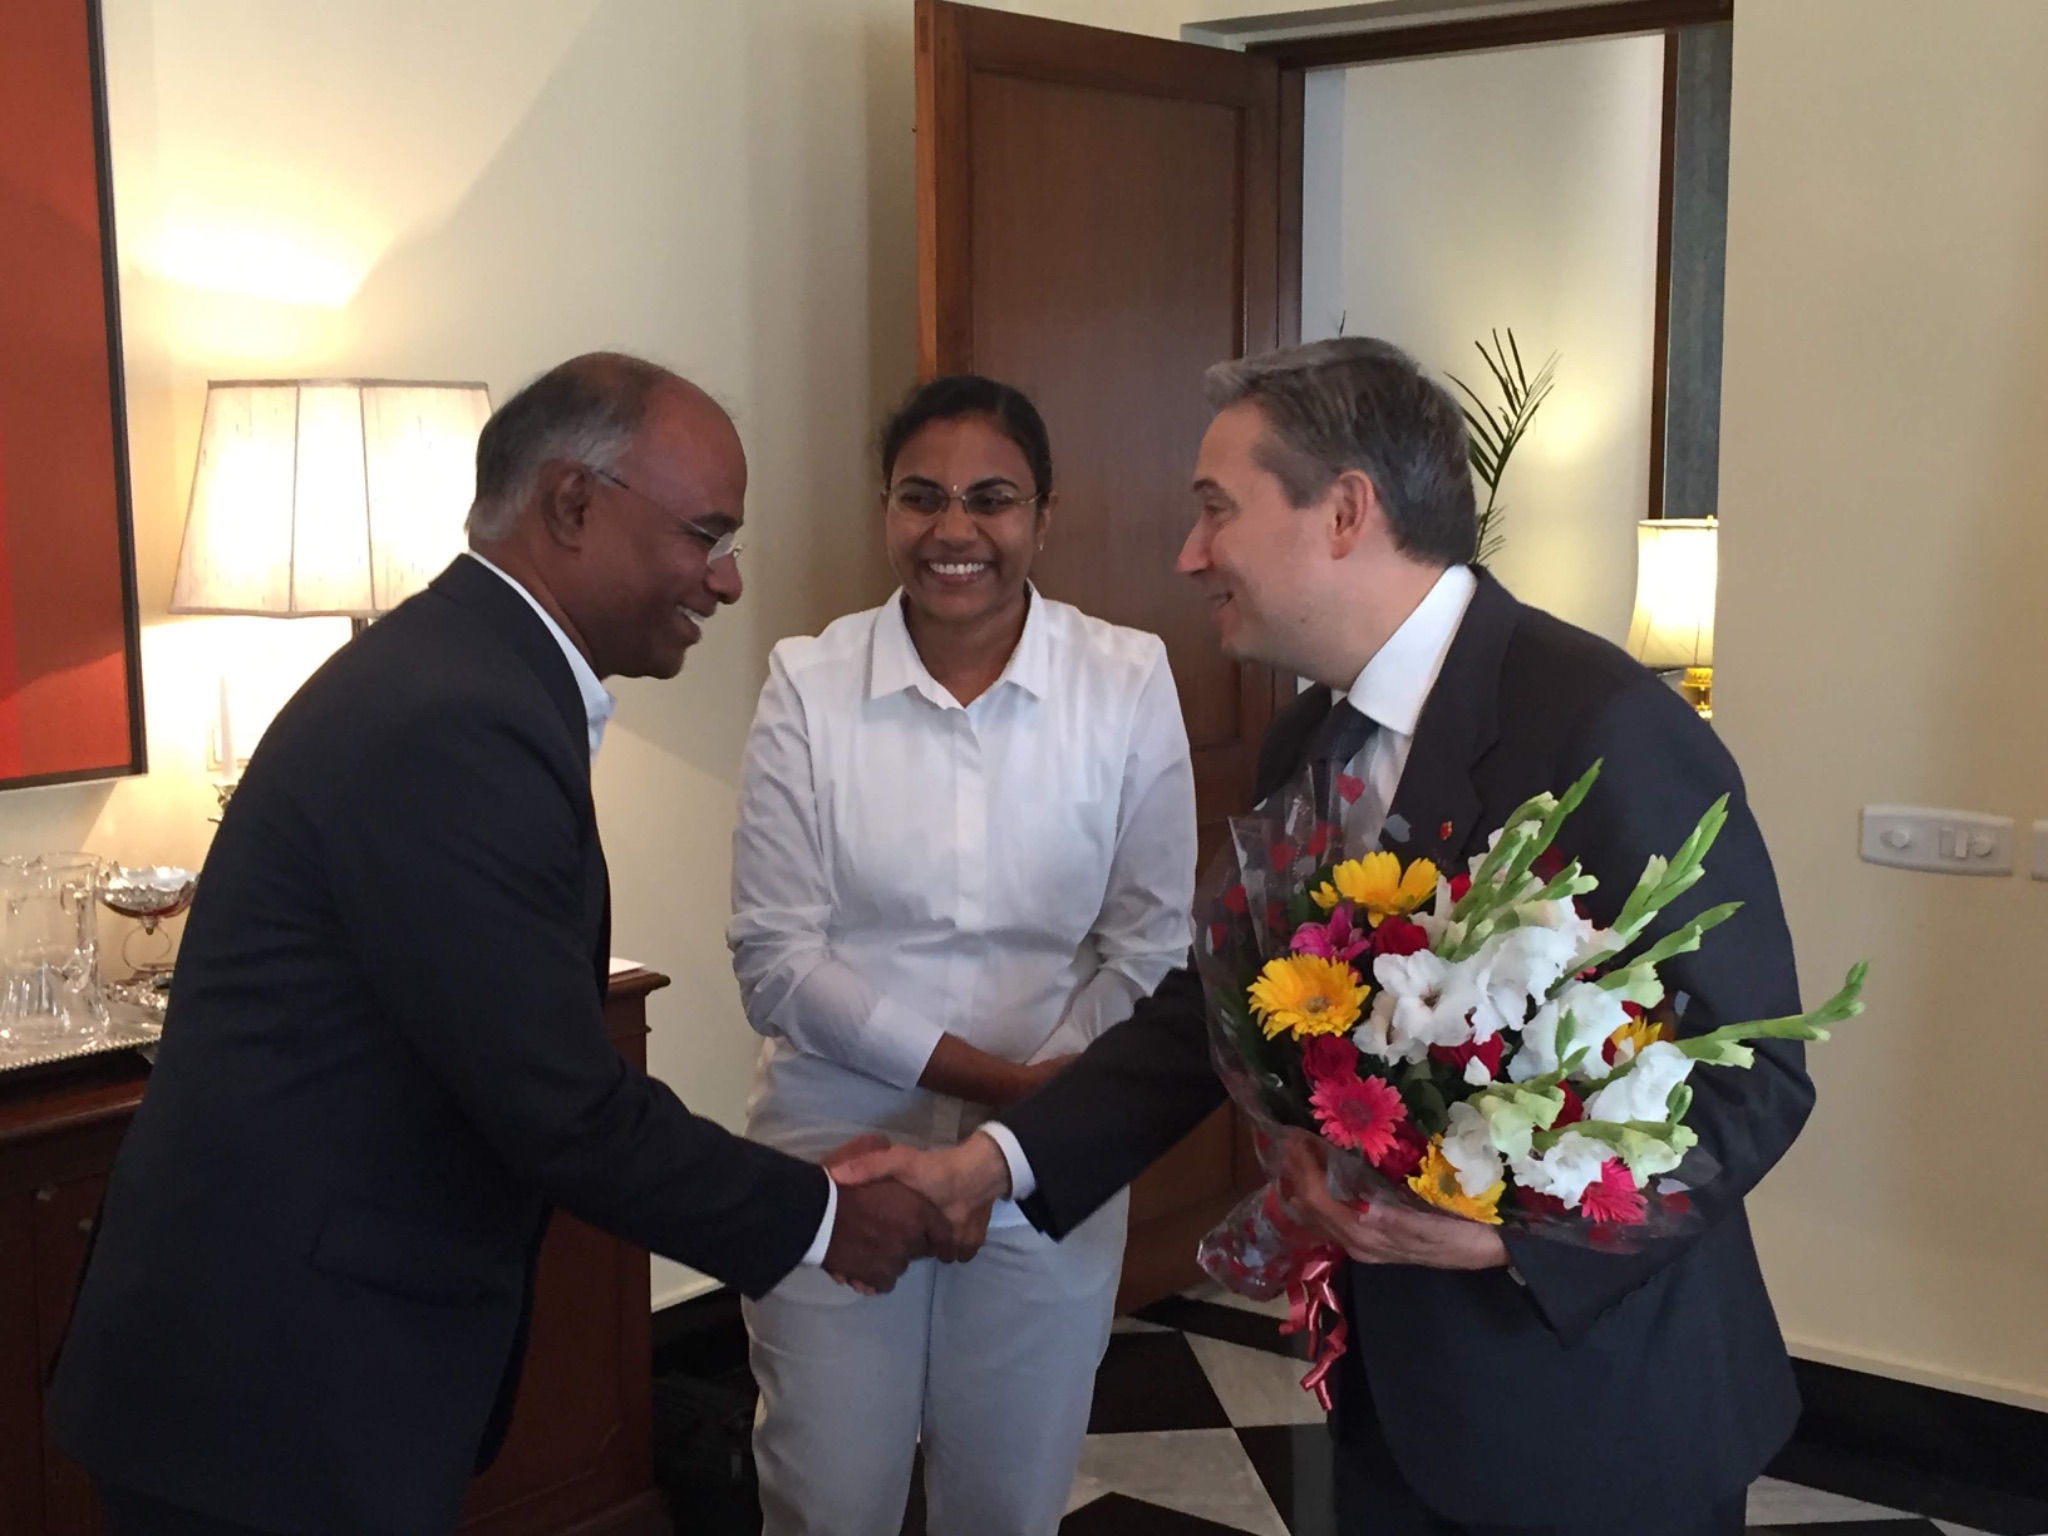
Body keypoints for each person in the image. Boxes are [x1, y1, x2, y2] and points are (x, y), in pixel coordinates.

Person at [840, 338, 1815, 1536]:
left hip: (1598, 1414)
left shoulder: (1598, 722)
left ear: (1344, 511)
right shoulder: (1307, 741)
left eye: (1215, 509)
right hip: (1394, 1392)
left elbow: (1752, 1074)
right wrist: (991, 1166)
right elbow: (1210, 1016)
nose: (1189, 552)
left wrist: (1514, 1242)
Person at [49, 354, 961, 1536]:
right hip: (271, 1395)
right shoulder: (453, 718)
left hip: (293, 1373)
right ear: (572, 504)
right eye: (705, 534)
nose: (728, 578)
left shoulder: (460, 675)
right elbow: (562, 1107)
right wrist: (823, 1217)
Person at [727, 375, 1197, 1536]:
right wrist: (1004, 1089)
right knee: (827, 1499)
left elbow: (1147, 946)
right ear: (885, 510)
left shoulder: (1124, 678)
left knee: (1007, 1499)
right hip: (840, 1151)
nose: (954, 529)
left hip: (1048, 1159)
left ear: (1043, 516)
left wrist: (1020, 1132)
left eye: (990, 499)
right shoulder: (808, 682)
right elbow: (775, 959)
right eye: (920, 497)